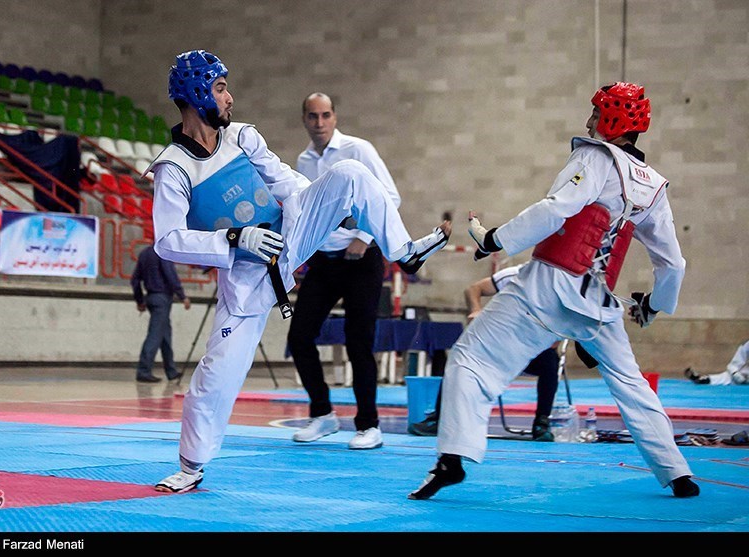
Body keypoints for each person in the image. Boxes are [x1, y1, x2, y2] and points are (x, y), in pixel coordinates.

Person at [151, 50, 451, 493]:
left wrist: (328, 206)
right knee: (215, 376)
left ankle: (404, 251)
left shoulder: (243, 136)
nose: (229, 98)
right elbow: (168, 240)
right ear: (197, 95)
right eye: (220, 89)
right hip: (247, 276)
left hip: (292, 234)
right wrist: (234, 238)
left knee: (349, 172)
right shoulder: (174, 168)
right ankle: (191, 467)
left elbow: (285, 180)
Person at [409, 82, 700, 500]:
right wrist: (654, 304)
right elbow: (673, 263)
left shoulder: (595, 157)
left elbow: (556, 209)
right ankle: (678, 473)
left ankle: (452, 459)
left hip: (548, 287)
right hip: (597, 303)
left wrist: (494, 239)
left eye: (596, 113)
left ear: (614, 119)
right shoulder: (653, 186)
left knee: (471, 358)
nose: (589, 121)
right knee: (631, 384)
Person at [287, 92, 402, 450]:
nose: (319, 122)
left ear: (334, 117)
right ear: (304, 119)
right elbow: (307, 211)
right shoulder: (303, 160)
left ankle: (369, 424)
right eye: (312, 116)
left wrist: (363, 238)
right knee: (299, 336)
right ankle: (322, 413)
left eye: (325, 115)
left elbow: (391, 197)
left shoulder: (359, 150)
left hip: (362, 259)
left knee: (358, 340)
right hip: (323, 260)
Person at [408, 264, 559, 441]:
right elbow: (474, 289)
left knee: (551, 362)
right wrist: (476, 310)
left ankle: (541, 422)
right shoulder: (514, 275)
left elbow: (557, 339)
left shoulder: (557, 288)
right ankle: (439, 418)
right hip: (497, 345)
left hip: (531, 350)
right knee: (461, 354)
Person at [131, 245, 191, 383]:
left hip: (151, 297)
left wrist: (140, 300)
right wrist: (182, 296)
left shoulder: (144, 253)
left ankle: (171, 371)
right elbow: (171, 276)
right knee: (155, 335)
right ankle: (143, 371)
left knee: (165, 335)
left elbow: (135, 280)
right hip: (162, 298)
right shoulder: (163, 252)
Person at [685, 340, 749, 385]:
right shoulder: (747, 344)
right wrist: (735, 373)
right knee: (726, 377)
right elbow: (734, 364)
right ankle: (703, 379)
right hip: (745, 375)